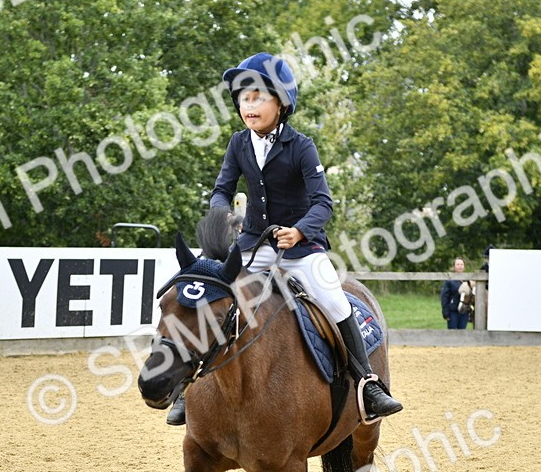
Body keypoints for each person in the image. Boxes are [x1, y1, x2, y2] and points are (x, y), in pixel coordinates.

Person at [167, 51, 403, 426]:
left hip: (301, 249)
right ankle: (186, 388)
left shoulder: (301, 146)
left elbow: (323, 202)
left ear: (282, 103)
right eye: (244, 99)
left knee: (334, 301)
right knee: (208, 291)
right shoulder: (238, 143)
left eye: (258, 97)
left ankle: (368, 385)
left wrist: (300, 231)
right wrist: (223, 214)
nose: (249, 105)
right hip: (253, 247)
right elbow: (220, 190)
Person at [441, 256, 474, 330]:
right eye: (458, 264)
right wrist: (445, 312)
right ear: (454, 266)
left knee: (462, 331)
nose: (460, 266)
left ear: (464, 266)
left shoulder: (468, 280)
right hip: (453, 311)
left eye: (461, 264)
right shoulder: (449, 280)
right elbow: (444, 296)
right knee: (452, 333)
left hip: (464, 312)